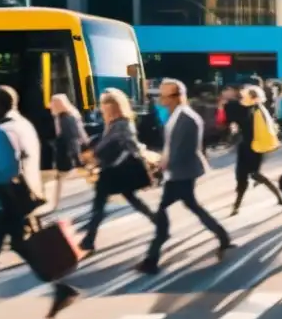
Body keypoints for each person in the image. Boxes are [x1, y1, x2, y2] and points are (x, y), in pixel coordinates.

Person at [0, 86, 80, 318]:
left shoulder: (0, 130)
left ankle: (62, 290)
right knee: (25, 246)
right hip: (21, 199)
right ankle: (62, 290)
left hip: (0, 204)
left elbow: (4, 169)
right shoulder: (23, 125)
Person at [139, 79, 232, 274]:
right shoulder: (176, 115)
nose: (160, 99)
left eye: (164, 95)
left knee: (167, 209)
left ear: (176, 97)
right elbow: (170, 146)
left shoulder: (187, 118)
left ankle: (153, 257)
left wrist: (160, 168)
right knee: (191, 206)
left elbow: (180, 150)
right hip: (179, 172)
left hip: (183, 172)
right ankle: (223, 237)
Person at [79, 89, 157, 253]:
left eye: (107, 105)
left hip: (117, 170)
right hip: (115, 169)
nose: (103, 109)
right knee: (129, 199)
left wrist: (97, 152)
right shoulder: (115, 123)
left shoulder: (122, 123)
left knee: (99, 204)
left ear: (115, 106)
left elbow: (124, 144)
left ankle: (89, 239)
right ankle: (157, 220)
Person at [231, 85, 282, 216]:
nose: (243, 98)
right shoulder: (255, 109)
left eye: (246, 96)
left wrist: (236, 128)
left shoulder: (256, 110)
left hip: (253, 148)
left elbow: (251, 129)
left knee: (252, 175)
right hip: (247, 148)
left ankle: (279, 196)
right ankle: (236, 206)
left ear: (252, 97)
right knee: (243, 177)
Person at [48, 93, 89, 213]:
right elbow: (79, 133)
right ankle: (58, 204)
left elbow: (71, 138)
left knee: (62, 178)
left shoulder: (64, 118)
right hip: (69, 149)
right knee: (66, 178)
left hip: (65, 151)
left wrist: (75, 156)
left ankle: (57, 205)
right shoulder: (70, 114)